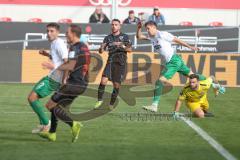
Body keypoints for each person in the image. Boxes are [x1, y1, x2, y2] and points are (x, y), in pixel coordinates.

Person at [136, 20, 209, 112]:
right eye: (146, 29)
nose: (147, 31)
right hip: (175, 60)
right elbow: (138, 36)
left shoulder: (162, 34)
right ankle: (212, 83)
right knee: (192, 76)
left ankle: (154, 105)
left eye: (148, 28)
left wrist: (191, 47)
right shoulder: (151, 37)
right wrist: (139, 28)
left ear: (154, 27)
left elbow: (177, 40)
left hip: (173, 61)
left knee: (160, 81)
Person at [39, 24, 91, 142]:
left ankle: (74, 124)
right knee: (58, 107)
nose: (66, 35)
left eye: (67, 33)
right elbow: (76, 63)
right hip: (82, 84)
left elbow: (71, 65)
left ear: (73, 34)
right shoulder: (83, 46)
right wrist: (64, 78)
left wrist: (54, 66)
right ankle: (52, 134)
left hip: (74, 84)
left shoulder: (75, 47)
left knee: (50, 105)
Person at [27, 23, 68, 134]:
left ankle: (46, 124)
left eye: (52, 31)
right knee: (32, 97)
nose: (49, 33)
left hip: (54, 79)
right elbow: (57, 59)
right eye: (48, 31)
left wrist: (64, 80)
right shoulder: (54, 43)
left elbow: (66, 62)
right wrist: (46, 54)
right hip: (51, 76)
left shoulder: (59, 44)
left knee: (32, 98)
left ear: (57, 32)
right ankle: (43, 124)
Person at [94, 19, 132, 109]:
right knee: (103, 81)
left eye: (116, 25)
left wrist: (121, 45)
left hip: (120, 63)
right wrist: (101, 48)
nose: (114, 26)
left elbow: (129, 50)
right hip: (110, 62)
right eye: (112, 25)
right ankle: (99, 101)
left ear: (119, 26)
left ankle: (111, 104)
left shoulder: (125, 37)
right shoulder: (108, 38)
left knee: (116, 85)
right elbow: (101, 51)